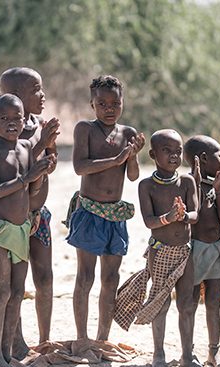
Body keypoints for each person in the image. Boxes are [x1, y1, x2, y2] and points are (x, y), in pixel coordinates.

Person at [0, 93, 55, 367]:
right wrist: (27, 177)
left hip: (23, 229)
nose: (11, 123)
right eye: (4, 119)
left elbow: (32, 180)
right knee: (1, 291)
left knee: (18, 292)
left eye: (16, 118)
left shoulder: (25, 147)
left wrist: (41, 168)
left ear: (25, 121)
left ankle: (8, 354)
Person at [115, 129, 202, 367]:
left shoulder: (187, 181)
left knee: (186, 304)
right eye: (167, 151)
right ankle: (159, 353)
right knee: (160, 303)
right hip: (160, 252)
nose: (174, 156)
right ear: (153, 154)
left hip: (184, 251)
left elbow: (195, 215)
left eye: (178, 151)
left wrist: (183, 215)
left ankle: (187, 354)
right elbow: (149, 221)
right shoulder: (147, 186)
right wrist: (169, 217)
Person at [66, 75, 144, 342]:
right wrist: (116, 159)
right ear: (92, 104)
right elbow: (80, 167)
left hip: (115, 215)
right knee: (85, 277)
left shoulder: (128, 134)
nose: (109, 109)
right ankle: (82, 338)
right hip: (89, 211)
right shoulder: (84, 129)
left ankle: (102, 338)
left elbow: (132, 175)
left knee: (110, 278)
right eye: (102, 103)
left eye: (115, 103)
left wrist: (131, 157)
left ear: (123, 103)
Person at [0, 67, 60, 356]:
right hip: (14, 221)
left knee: (45, 276)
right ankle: (16, 339)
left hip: (40, 214)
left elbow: (50, 161)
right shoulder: (7, 131)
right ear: (16, 97)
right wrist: (42, 145)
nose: (43, 95)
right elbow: (19, 169)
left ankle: (45, 337)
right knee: (15, 284)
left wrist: (49, 148)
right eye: (36, 89)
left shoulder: (41, 125)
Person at [183, 135, 220, 367]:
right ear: (202, 159)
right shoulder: (187, 183)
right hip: (195, 251)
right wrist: (197, 181)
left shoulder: (215, 185)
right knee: (190, 302)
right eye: (219, 156)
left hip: (216, 249)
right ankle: (188, 351)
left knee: (214, 302)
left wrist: (219, 190)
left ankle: (214, 351)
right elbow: (194, 215)